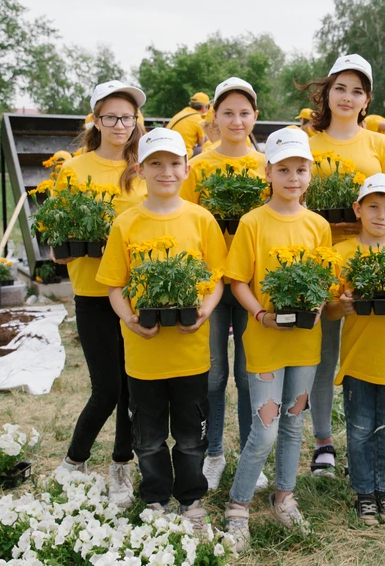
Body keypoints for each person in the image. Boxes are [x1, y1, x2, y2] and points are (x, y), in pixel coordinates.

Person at [96, 127, 226, 524]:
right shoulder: (126, 223)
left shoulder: (202, 220)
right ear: (140, 168)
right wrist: (130, 320)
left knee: (191, 437)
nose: (165, 171)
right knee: (148, 438)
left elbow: (217, 278)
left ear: (187, 168)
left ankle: (191, 498)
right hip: (143, 355)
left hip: (190, 352)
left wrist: (203, 310)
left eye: (174, 163)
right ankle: (155, 496)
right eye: (156, 163)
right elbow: (115, 286)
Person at [221, 128, 332, 552]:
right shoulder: (253, 222)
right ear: (268, 172)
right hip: (266, 340)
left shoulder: (318, 225)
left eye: (300, 169)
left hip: (304, 342)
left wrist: (318, 302)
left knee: (293, 424)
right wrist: (262, 313)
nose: (292, 177)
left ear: (310, 174)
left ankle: (284, 496)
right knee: (264, 431)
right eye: (283, 169)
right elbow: (238, 281)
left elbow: (323, 278)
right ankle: (238, 505)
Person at [302, 54, 385, 477]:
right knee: (324, 354)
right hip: (319, 256)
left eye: (357, 91)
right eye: (340, 87)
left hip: (372, 261)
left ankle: (366, 440)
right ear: (327, 92)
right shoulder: (306, 139)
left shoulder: (380, 145)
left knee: (366, 354)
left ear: (367, 101)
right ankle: (324, 440)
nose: (347, 97)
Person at [55, 81, 148, 508]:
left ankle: (120, 466)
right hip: (92, 290)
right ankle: (74, 462)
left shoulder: (144, 167)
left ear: (136, 120)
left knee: (132, 388)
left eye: (127, 117)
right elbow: (57, 234)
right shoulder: (75, 169)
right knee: (106, 387)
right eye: (110, 116)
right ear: (95, 119)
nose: (119, 124)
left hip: (137, 293)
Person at [180, 78, 269, 493]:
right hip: (212, 283)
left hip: (253, 282)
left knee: (251, 375)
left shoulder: (266, 165)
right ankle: (213, 453)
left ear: (255, 117)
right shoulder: (198, 167)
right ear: (214, 115)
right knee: (214, 374)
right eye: (228, 112)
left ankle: (253, 454)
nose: (236, 120)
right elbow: (185, 222)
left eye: (244, 112)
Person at [325, 173, 385, 525]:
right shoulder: (342, 253)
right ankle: (364, 493)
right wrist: (344, 304)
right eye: (373, 207)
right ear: (358, 209)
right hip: (357, 356)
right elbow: (331, 310)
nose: (380, 215)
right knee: (359, 427)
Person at [166, 92, 210, 158]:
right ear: (204, 108)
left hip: (167, 149)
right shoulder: (199, 118)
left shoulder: (184, 112)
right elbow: (201, 143)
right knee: (207, 148)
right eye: (208, 107)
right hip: (183, 153)